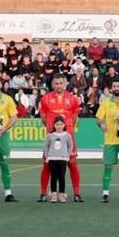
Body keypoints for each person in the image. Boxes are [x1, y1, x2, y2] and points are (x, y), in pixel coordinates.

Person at [38, 74, 82, 203]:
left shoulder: (72, 99)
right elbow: (43, 118)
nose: (58, 86)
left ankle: (76, 193)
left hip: (68, 137)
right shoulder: (46, 99)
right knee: (47, 165)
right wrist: (53, 132)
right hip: (52, 138)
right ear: (52, 84)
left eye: (61, 83)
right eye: (56, 83)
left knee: (72, 164)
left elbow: (74, 118)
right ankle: (43, 194)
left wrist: (66, 131)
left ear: (65, 83)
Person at [44, 119, 75, 202]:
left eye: (61, 124)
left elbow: (70, 146)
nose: (59, 126)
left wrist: (67, 155)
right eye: (57, 124)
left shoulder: (67, 135)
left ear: (64, 125)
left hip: (63, 158)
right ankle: (53, 194)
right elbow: (46, 146)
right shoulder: (50, 135)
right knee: (53, 176)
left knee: (62, 176)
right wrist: (47, 156)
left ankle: (62, 194)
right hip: (52, 158)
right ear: (54, 125)